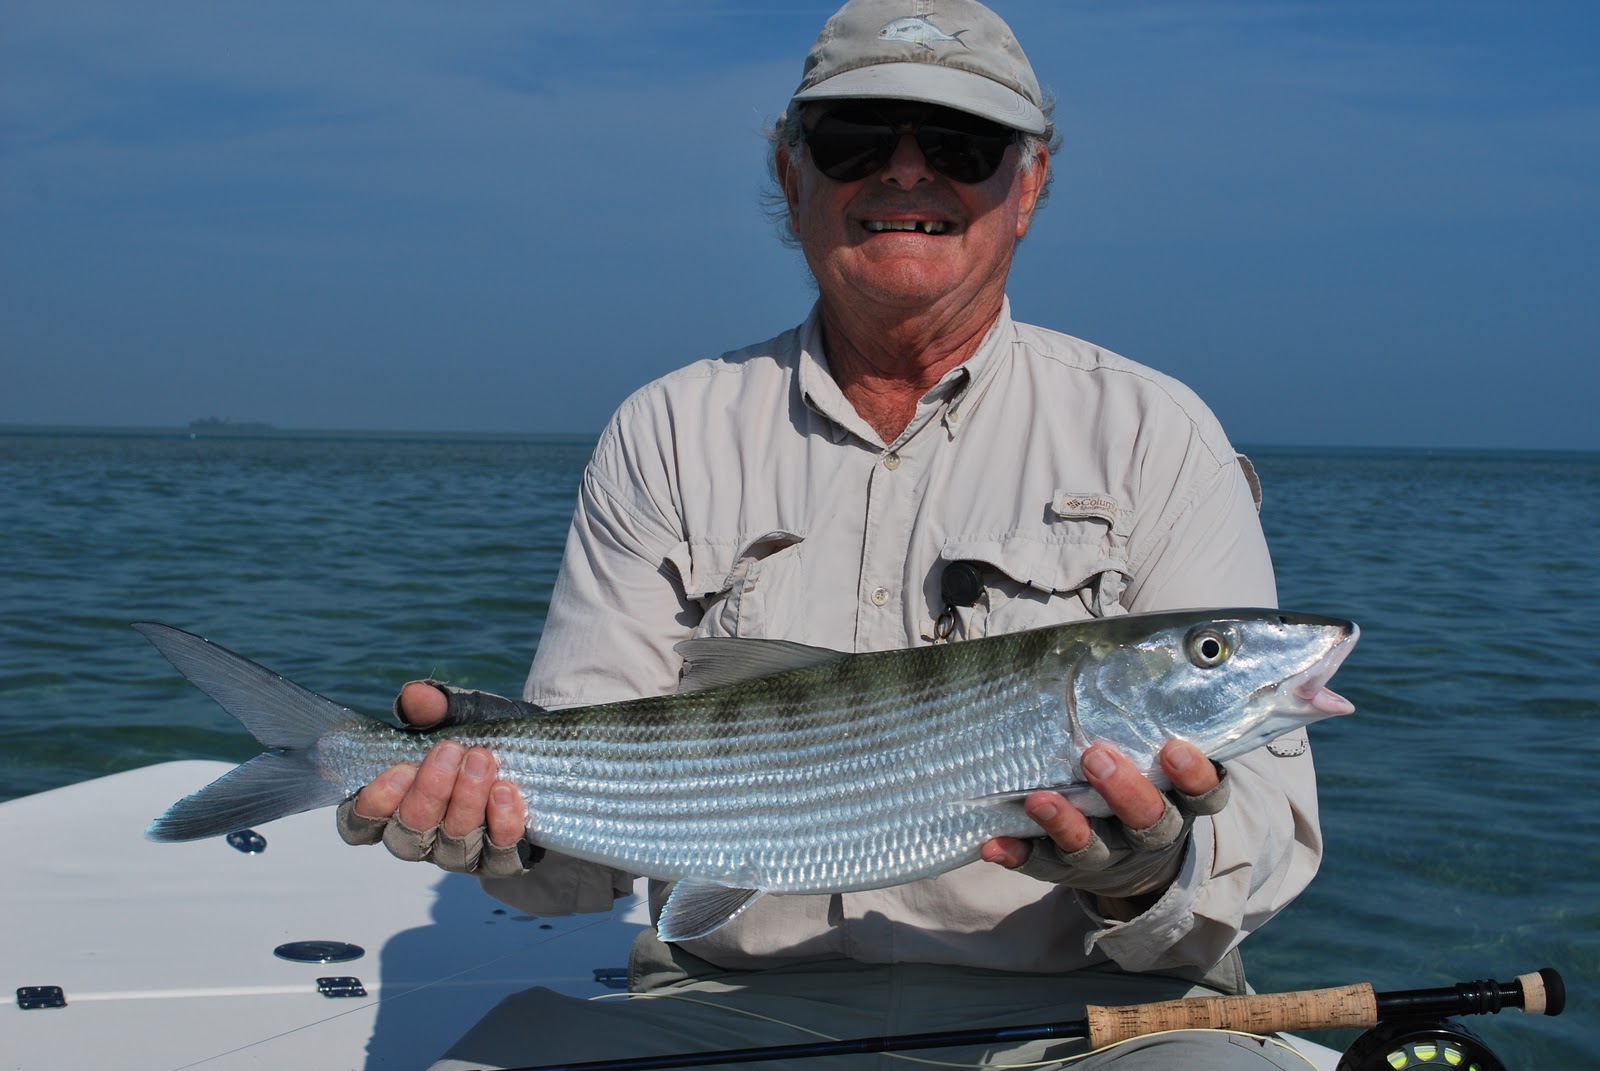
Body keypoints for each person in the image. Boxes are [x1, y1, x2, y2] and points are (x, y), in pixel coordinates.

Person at [339, 2, 1321, 1067]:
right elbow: (578, 863)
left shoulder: (1153, 435)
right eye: (857, 141)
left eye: (961, 145)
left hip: (1095, 1017)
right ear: (790, 170)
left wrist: (1142, 869)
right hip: (729, 1004)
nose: (907, 175)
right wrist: (487, 819)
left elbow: (1266, 837)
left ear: (1028, 183)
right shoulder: (667, 431)